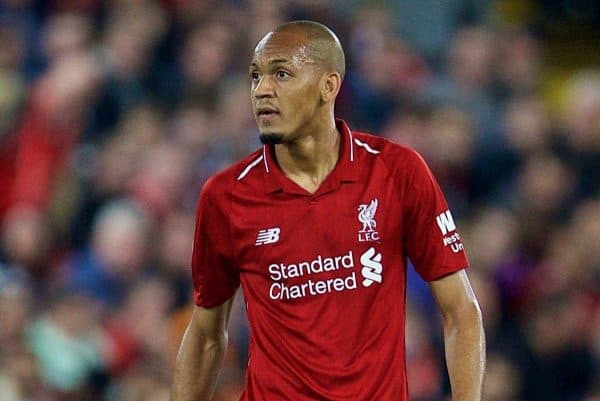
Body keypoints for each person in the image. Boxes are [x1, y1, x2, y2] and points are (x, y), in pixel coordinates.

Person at [171, 20, 485, 401]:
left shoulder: (397, 172)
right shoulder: (225, 196)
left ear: (328, 85)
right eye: (255, 76)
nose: (261, 90)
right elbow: (206, 334)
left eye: (281, 74)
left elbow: (460, 312)